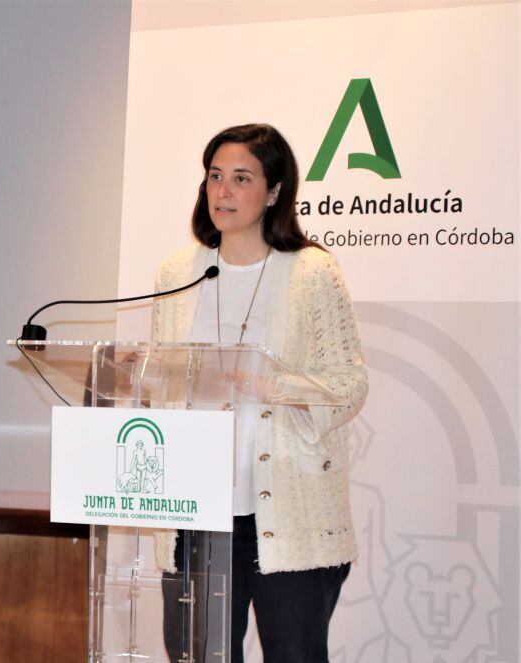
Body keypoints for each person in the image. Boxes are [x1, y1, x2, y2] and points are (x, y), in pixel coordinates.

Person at [150, 124, 368, 662]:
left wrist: (273, 385)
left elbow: (349, 387)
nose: (222, 191)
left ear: (274, 191)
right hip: (196, 514)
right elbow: (158, 381)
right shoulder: (179, 273)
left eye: (241, 178)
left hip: (288, 517)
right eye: (215, 177)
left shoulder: (312, 272)